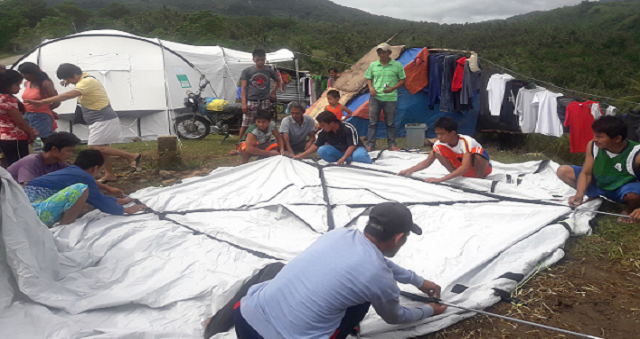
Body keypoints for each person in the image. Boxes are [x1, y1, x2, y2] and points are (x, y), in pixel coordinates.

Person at [232, 202, 447, 339]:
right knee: (364, 300)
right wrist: (430, 310)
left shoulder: (339, 235)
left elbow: (379, 263)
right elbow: (395, 316)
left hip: (243, 317)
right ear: (398, 237)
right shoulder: (377, 277)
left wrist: (418, 281)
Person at [25, 63, 141, 182]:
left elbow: (68, 95)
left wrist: (42, 102)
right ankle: (109, 174)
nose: (69, 81)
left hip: (103, 118)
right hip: (98, 119)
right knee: (102, 147)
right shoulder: (84, 80)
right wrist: (70, 82)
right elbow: (75, 87)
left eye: (69, 79)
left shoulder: (87, 82)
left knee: (94, 147)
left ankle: (131, 156)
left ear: (75, 74)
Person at [23, 149, 146, 227]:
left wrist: (121, 201)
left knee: (83, 189)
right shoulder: (83, 177)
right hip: (35, 216)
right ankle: (66, 227)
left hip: (25, 213)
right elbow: (100, 202)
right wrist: (127, 210)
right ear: (95, 168)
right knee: (81, 190)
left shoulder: (73, 172)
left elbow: (97, 196)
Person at [557, 116, 640, 223]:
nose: (595, 139)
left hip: (622, 189)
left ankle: (629, 210)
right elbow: (586, 173)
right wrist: (580, 193)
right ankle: (593, 196)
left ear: (617, 139)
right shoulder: (593, 145)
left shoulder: (636, 153)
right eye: (594, 135)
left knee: (634, 195)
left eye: (600, 137)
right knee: (563, 171)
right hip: (600, 182)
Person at [7, 131, 124, 195]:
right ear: (55, 150)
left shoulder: (59, 163)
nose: (70, 155)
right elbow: (28, 186)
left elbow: (79, 176)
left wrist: (107, 188)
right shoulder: (31, 162)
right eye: (68, 151)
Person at [398, 117, 492, 182]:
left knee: (478, 151)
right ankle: (456, 176)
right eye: (437, 134)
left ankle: (479, 179)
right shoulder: (439, 144)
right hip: (461, 170)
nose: (439, 137)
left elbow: (465, 167)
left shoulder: (466, 141)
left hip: (479, 170)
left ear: (452, 133)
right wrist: (408, 170)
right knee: (437, 152)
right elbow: (427, 162)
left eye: (442, 134)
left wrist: (441, 179)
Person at [231, 49, 281, 155]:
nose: (260, 62)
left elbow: (278, 80)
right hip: (251, 100)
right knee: (246, 124)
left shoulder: (269, 70)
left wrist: (273, 93)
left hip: (265, 100)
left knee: (265, 123)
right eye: (258, 60)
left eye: (262, 60)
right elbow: (243, 88)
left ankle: (262, 143)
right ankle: (239, 147)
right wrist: (244, 103)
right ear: (253, 59)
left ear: (265, 59)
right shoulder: (247, 71)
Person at [364, 42, 406, 152]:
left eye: (383, 52)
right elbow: (368, 77)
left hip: (390, 98)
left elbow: (403, 80)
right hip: (375, 97)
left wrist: (393, 88)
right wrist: (371, 88)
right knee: (373, 122)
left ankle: (392, 144)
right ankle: (370, 144)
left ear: (389, 53)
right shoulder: (373, 65)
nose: (381, 54)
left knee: (390, 123)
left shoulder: (397, 65)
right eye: (379, 52)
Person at [294, 110, 372, 165]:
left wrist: (344, 158)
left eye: (323, 125)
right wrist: (301, 156)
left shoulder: (348, 128)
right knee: (322, 150)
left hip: (354, 149)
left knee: (358, 156)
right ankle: (339, 164)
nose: (320, 127)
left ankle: (360, 161)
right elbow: (316, 146)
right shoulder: (323, 132)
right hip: (339, 151)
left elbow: (352, 146)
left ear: (332, 124)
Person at [0, 70, 39, 166]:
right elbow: (19, 122)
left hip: (3, 135)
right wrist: (31, 131)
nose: (19, 88)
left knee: (11, 163)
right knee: (21, 165)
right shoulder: (8, 99)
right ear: (7, 85)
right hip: (14, 137)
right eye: (17, 85)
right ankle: (21, 181)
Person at [18, 62, 60, 141]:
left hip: (41, 116)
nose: (24, 77)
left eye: (25, 74)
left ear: (33, 73)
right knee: (31, 139)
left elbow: (57, 100)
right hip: (27, 114)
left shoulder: (46, 83)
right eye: (23, 75)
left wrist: (47, 109)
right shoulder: (27, 83)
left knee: (43, 139)